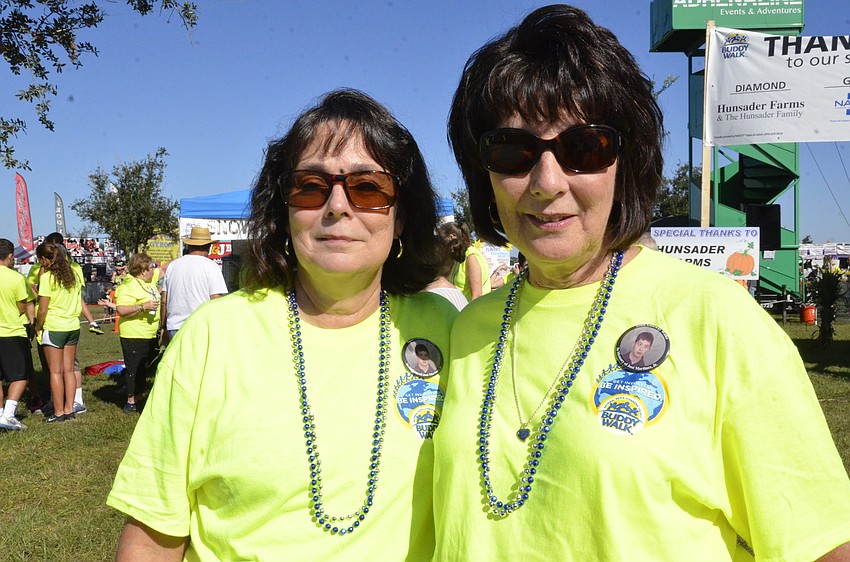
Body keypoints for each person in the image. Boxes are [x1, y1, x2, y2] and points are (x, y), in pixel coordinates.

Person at [433, 5, 850, 561]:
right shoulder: (468, 330)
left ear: (625, 164)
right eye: (513, 150)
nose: (546, 182)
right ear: (482, 173)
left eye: (585, 148)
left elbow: (821, 544)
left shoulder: (716, 317)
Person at [107, 89, 458, 560]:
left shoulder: (450, 330)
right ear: (284, 210)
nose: (337, 205)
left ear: (401, 217)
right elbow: (152, 536)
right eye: (311, 186)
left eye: (368, 188)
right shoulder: (213, 336)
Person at [34, 242, 83, 423]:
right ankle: (70, 409)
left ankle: (59, 411)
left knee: (55, 372)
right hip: (73, 325)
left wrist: (37, 327)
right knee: (68, 370)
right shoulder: (74, 275)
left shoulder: (47, 278)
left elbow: (42, 310)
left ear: (45, 259)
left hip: (54, 326)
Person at [160, 226, 228, 344]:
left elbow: (164, 300)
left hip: (174, 326)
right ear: (209, 247)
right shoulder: (211, 266)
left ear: (189, 245)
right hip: (200, 326)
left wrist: (163, 327)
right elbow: (216, 300)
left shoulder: (173, 266)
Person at [113, 253, 161, 414]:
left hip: (150, 332)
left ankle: (138, 395)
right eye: (150, 268)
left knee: (144, 368)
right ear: (142, 270)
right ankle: (131, 401)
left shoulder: (149, 281)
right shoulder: (128, 285)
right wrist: (143, 307)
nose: (153, 270)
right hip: (134, 333)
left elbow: (165, 269)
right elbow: (122, 309)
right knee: (134, 368)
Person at [0, 238, 35, 430]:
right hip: (11, 331)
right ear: (10, 256)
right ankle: (8, 414)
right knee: (20, 375)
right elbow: (22, 306)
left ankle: (1, 413)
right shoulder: (16, 278)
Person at [438, 222, 491, 300]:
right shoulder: (458, 257)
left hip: (471, 309)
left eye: (441, 239)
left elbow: (477, 295)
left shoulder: (471, 256)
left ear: (452, 236)